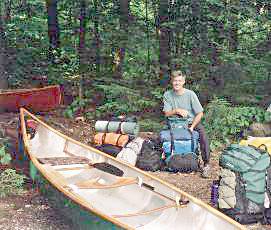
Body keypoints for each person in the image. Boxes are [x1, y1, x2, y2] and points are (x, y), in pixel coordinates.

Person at [163, 70, 211, 178]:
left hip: (190, 122)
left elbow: (200, 113)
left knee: (203, 136)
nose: (177, 83)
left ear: (183, 82)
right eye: (175, 81)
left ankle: (206, 164)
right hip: (174, 122)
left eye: (179, 81)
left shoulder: (190, 94)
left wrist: (193, 126)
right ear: (172, 81)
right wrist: (177, 110)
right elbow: (167, 113)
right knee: (162, 136)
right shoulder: (167, 94)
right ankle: (164, 161)